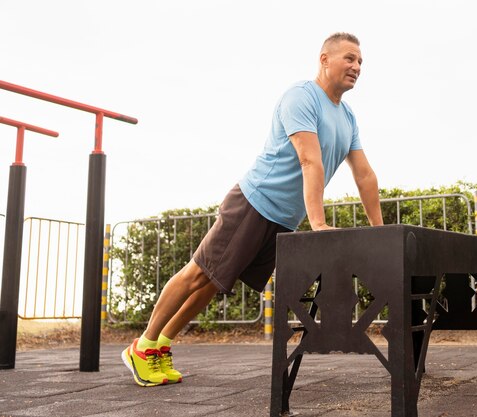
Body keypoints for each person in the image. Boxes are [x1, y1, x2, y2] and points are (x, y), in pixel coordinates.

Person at [122, 32, 384, 387]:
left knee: (214, 284)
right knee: (199, 273)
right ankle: (143, 346)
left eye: (360, 62)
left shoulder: (348, 117)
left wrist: (379, 229)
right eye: (349, 58)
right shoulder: (301, 98)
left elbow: (364, 174)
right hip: (253, 202)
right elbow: (310, 159)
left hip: (281, 220)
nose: (356, 66)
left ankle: (161, 346)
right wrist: (318, 224)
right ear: (324, 59)